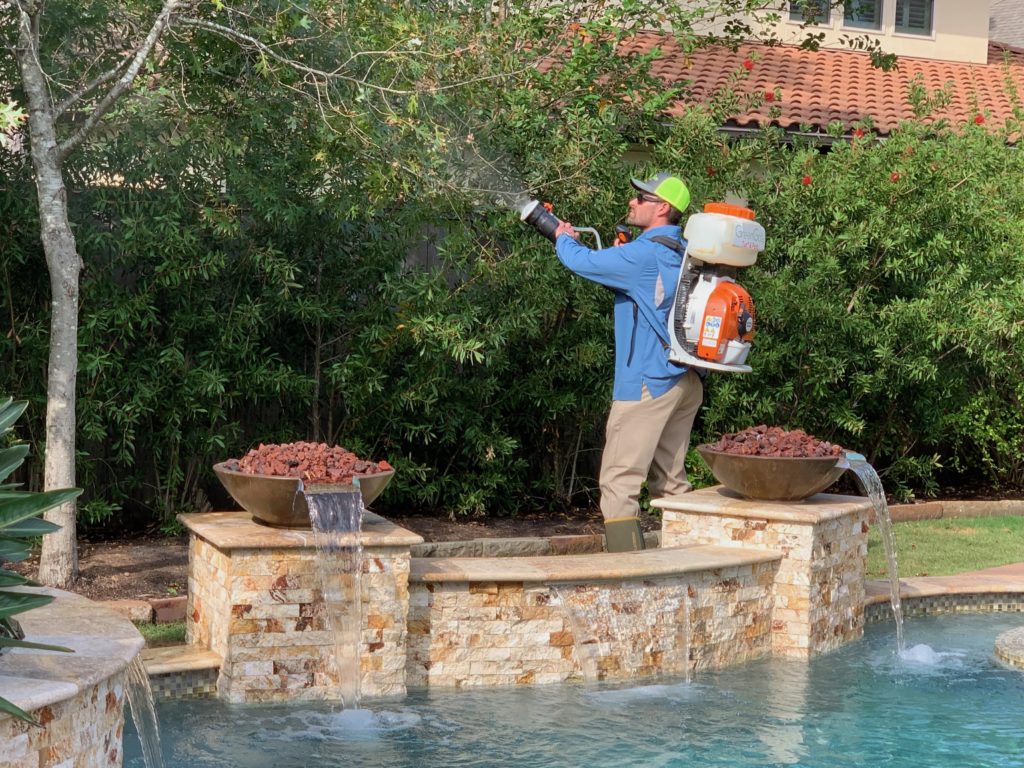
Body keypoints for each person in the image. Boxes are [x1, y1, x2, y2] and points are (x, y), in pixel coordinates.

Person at [553, 173, 703, 552]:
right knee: (672, 483)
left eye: (642, 197)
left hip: (647, 383)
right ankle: (690, 566)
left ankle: (630, 577)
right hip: (683, 380)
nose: (633, 202)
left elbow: (582, 262)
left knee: (619, 483)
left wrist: (561, 238)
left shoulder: (644, 254)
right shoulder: (681, 250)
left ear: (662, 208)